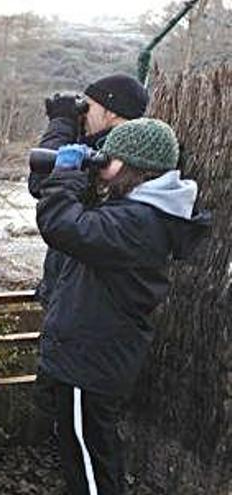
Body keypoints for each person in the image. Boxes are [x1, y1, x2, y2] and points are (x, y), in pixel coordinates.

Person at [35, 118, 212, 495]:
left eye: (110, 160)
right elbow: (82, 226)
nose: (103, 165)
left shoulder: (138, 221)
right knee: (92, 449)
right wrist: (80, 179)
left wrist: (67, 175)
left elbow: (62, 226)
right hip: (97, 356)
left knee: (89, 460)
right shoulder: (142, 213)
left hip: (90, 360)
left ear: (135, 167)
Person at [30, 74, 150, 307]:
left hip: (81, 295)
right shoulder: (136, 150)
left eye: (89, 106)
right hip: (82, 291)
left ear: (112, 112)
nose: (83, 112)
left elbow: (41, 182)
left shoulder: (106, 157)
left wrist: (61, 123)